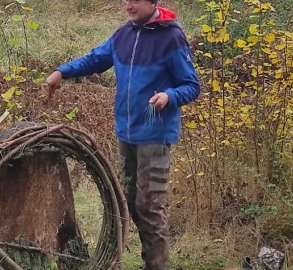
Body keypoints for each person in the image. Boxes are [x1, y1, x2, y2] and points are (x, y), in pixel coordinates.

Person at [44, 0, 200, 269]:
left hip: (155, 135)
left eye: (135, 1)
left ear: (152, 2)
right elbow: (94, 59)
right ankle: (147, 260)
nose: (128, 5)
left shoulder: (171, 37)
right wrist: (62, 71)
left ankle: (156, 265)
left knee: (150, 207)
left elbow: (191, 85)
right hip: (126, 134)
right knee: (128, 203)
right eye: (125, 0)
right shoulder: (123, 35)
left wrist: (169, 95)